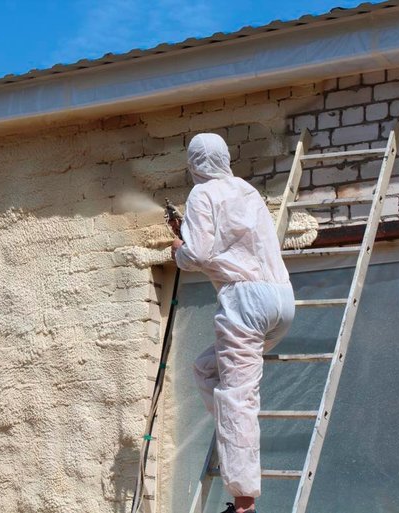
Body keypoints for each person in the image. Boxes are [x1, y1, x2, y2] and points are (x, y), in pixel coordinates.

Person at [169, 133, 295, 513]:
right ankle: (233, 437)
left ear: (194, 165)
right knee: (207, 371)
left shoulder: (201, 195)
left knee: (238, 399)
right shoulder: (247, 191)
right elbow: (235, 243)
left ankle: (244, 505)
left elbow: (200, 253)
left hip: (245, 302)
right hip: (281, 298)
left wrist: (179, 250)